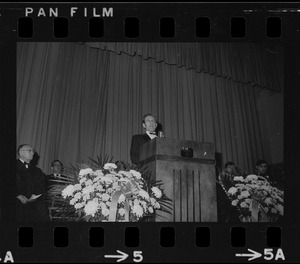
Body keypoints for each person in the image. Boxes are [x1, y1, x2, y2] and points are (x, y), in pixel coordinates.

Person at [16, 144, 49, 222]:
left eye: (33, 151)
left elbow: (40, 185)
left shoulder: (37, 171)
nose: (32, 153)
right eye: (29, 151)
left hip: (33, 201)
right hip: (17, 200)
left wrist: (34, 195)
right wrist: (17, 195)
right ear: (21, 153)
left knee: (41, 208)